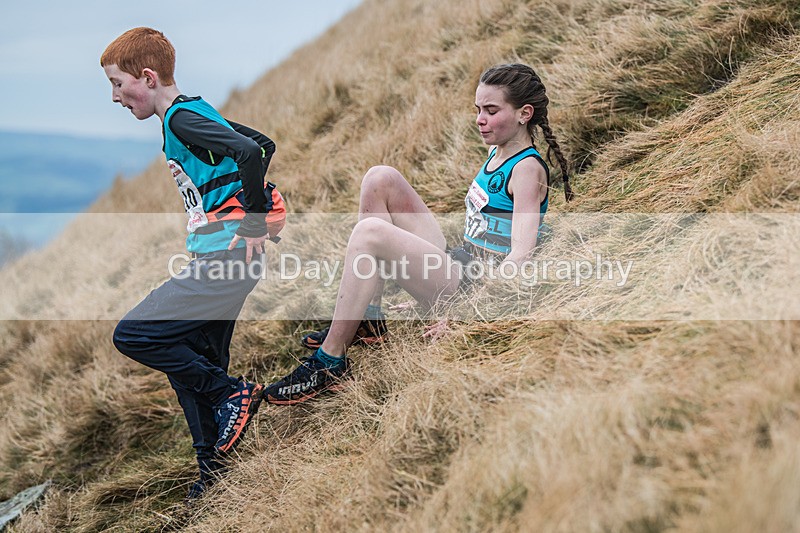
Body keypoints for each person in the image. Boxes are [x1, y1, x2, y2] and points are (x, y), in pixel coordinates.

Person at [263, 63, 573, 405]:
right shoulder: (497, 151)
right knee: (380, 178)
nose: (480, 119)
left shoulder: (527, 170)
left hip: (469, 287)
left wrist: (462, 313)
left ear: (523, 114)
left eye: (491, 110)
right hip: (460, 263)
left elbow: (520, 256)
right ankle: (370, 317)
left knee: (369, 233)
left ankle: (329, 362)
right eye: (478, 110)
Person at [100, 27, 278, 500]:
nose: (115, 97)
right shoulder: (193, 112)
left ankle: (229, 393)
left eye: (118, 84)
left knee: (133, 333)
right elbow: (264, 145)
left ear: (148, 76)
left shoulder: (180, 119)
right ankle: (214, 474)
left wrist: (255, 222)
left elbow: (247, 152)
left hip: (226, 259)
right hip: (225, 258)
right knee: (192, 363)